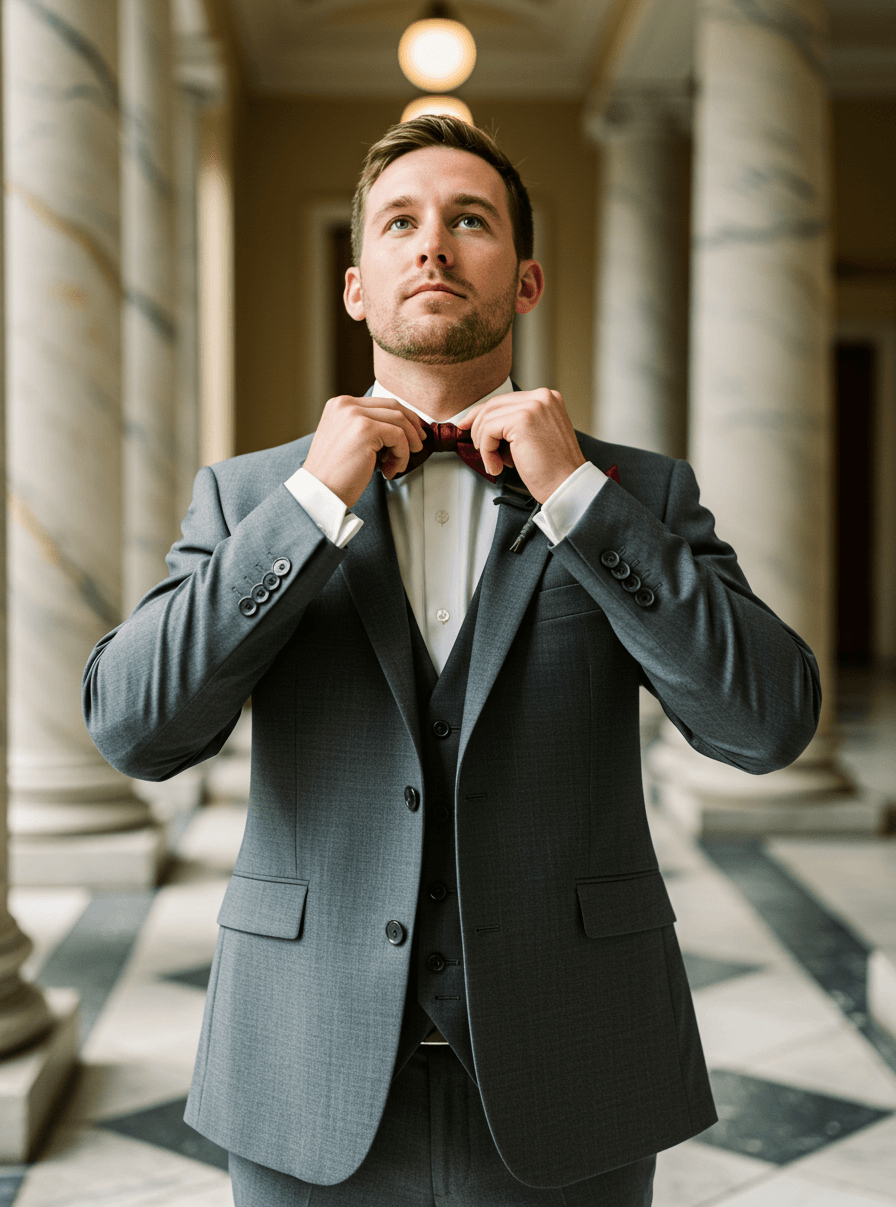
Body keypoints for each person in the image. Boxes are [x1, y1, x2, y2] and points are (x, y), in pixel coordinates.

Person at [83, 115, 820, 1207]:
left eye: (467, 220)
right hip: (305, 1060)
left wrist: (577, 499)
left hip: (574, 1061)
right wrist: (303, 510)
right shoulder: (248, 497)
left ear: (522, 280)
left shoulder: (634, 491)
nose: (432, 244)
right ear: (355, 284)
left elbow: (766, 721)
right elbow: (135, 727)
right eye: (400, 222)